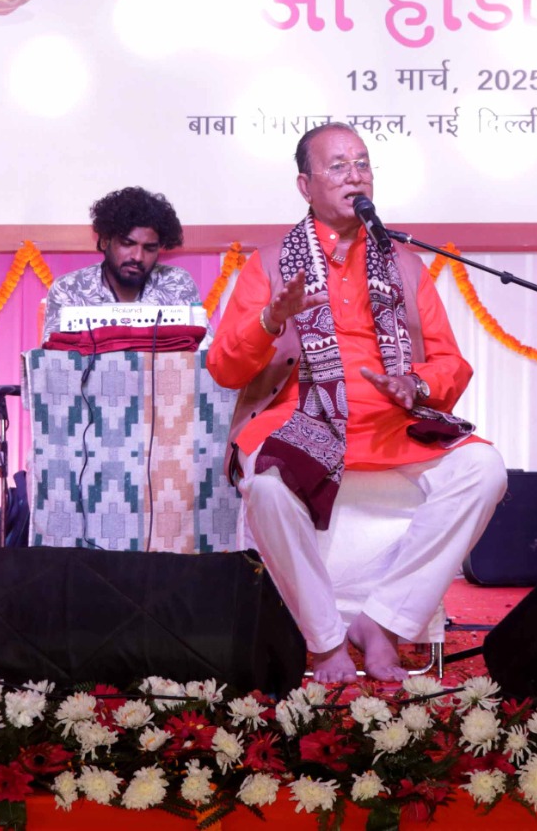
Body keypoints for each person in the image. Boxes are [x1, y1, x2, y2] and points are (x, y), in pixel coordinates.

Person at [207, 123, 506, 682]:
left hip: (394, 427)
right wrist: (270, 318)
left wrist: (415, 384)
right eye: (339, 166)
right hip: (301, 423)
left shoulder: (405, 263)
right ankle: (325, 642)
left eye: (363, 164)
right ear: (305, 185)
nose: (355, 176)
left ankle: (384, 623)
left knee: (484, 469)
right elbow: (225, 368)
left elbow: (451, 362)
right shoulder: (269, 264)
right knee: (266, 488)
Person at [40, 186, 203, 341]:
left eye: (149, 248)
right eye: (127, 244)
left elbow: (203, 351)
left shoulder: (178, 283)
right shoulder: (69, 288)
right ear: (105, 241)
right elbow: (52, 356)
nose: (138, 257)